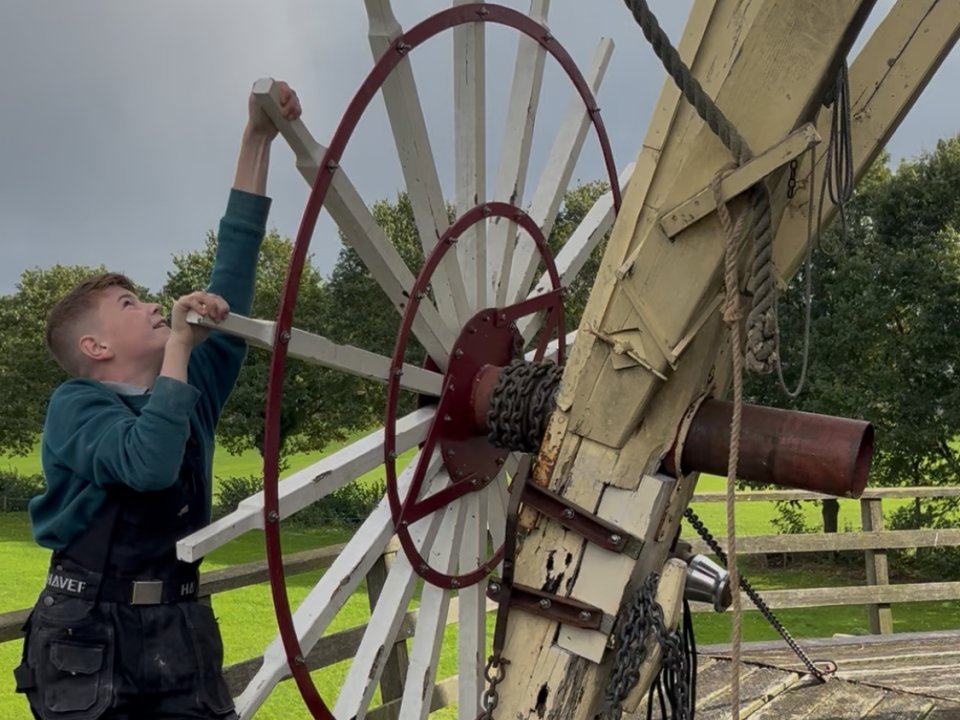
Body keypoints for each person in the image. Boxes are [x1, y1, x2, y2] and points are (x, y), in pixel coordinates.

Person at [13, 80, 302, 720]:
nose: (150, 304)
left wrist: (257, 137)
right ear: (94, 346)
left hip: (179, 624)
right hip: (85, 635)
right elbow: (146, 463)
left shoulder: (189, 391)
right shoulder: (76, 407)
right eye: (129, 304)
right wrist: (179, 348)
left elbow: (234, 264)